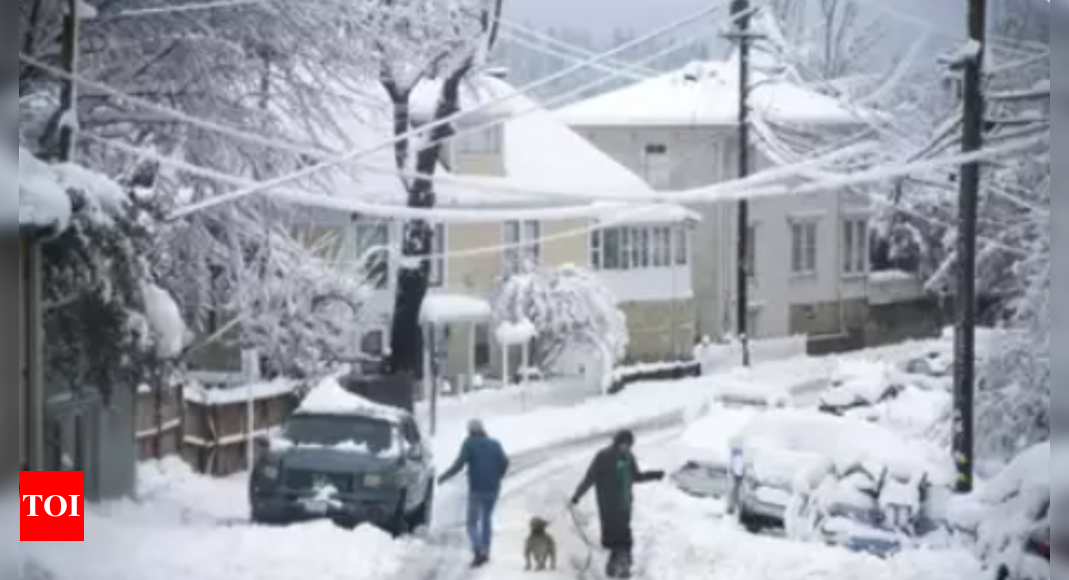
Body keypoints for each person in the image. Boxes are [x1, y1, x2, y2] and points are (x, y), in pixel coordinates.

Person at [571, 430, 664, 578]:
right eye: (624, 444)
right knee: (614, 540)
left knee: (622, 538)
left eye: (629, 445)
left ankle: (621, 568)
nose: (627, 448)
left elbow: (636, 477)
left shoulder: (629, 457)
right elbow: (590, 478)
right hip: (608, 506)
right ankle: (616, 568)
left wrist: (654, 475)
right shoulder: (603, 456)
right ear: (618, 442)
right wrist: (577, 496)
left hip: (624, 505)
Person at [438, 419, 509, 567]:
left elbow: (458, 465)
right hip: (493, 488)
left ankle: (477, 550)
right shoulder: (495, 443)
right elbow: (505, 462)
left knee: (471, 522)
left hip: (476, 489)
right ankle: (486, 551)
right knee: (486, 519)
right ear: (483, 429)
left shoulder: (469, 443)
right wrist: (497, 476)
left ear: (470, 431)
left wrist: (443, 477)